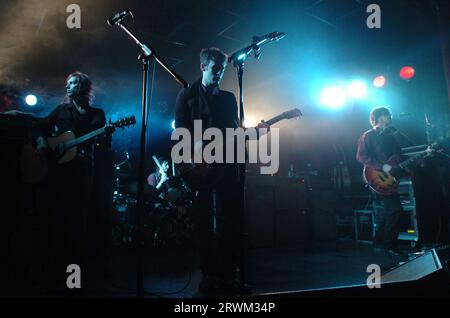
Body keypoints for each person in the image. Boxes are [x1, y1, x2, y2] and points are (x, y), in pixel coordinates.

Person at [175, 47, 268, 295]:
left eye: (223, 70)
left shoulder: (228, 98)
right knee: (203, 220)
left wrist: (253, 135)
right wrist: (193, 155)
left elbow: (234, 132)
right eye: (216, 69)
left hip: (227, 164)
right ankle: (209, 274)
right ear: (203, 67)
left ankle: (228, 274)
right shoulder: (187, 95)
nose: (219, 74)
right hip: (198, 167)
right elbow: (179, 131)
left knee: (232, 219)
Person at [33, 72, 108, 290]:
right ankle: (50, 275)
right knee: (53, 220)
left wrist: (104, 136)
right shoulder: (61, 110)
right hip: (58, 173)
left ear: (83, 87)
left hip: (82, 172)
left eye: (73, 83)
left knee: (77, 224)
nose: (68, 87)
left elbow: (101, 143)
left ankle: (73, 280)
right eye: (67, 84)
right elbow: (39, 127)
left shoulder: (96, 115)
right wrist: (41, 142)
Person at [356, 106, 408, 258]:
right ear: (377, 118)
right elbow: (361, 156)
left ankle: (380, 243)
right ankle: (389, 245)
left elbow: (399, 157)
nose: (389, 117)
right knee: (395, 209)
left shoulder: (392, 137)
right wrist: (383, 167)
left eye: (389, 115)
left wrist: (421, 157)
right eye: (386, 115)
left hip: (389, 179)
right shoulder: (368, 135)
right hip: (376, 177)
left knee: (388, 211)